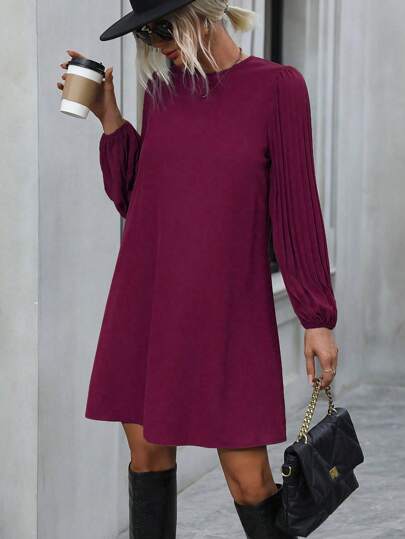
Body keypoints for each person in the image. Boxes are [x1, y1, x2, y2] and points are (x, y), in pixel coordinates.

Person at [57, 1, 339, 537]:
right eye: (146, 33)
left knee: (248, 480)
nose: (157, 43)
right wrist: (109, 117)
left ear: (202, 13)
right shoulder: (162, 91)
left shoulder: (278, 88)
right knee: (147, 456)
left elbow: (297, 207)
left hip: (229, 310)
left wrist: (316, 317)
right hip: (149, 301)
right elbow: (139, 200)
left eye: (163, 27)